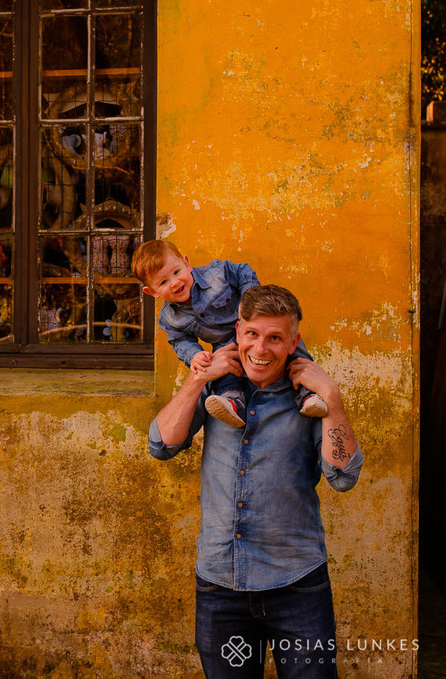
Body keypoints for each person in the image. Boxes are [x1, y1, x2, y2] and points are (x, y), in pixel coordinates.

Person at [148, 285, 363, 678]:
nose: (261, 349)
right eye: (252, 335)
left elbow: (344, 475)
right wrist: (198, 379)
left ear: (293, 341)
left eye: (275, 338)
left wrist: (331, 395)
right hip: (220, 588)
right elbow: (162, 445)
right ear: (237, 331)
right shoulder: (218, 389)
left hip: (297, 587)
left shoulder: (309, 399)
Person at [132, 240, 327, 428]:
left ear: (186, 263)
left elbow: (243, 271)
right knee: (222, 370)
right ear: (152, 292)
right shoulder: (169, 318)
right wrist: (194, 355)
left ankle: (309, 394)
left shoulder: (216, 274)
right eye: (164, 282)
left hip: (254, 328)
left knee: (291, 351)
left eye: (176, 272)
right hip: (224, 343)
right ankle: (233, 403)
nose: (175, 282)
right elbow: (180, 340)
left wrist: (248, 301)